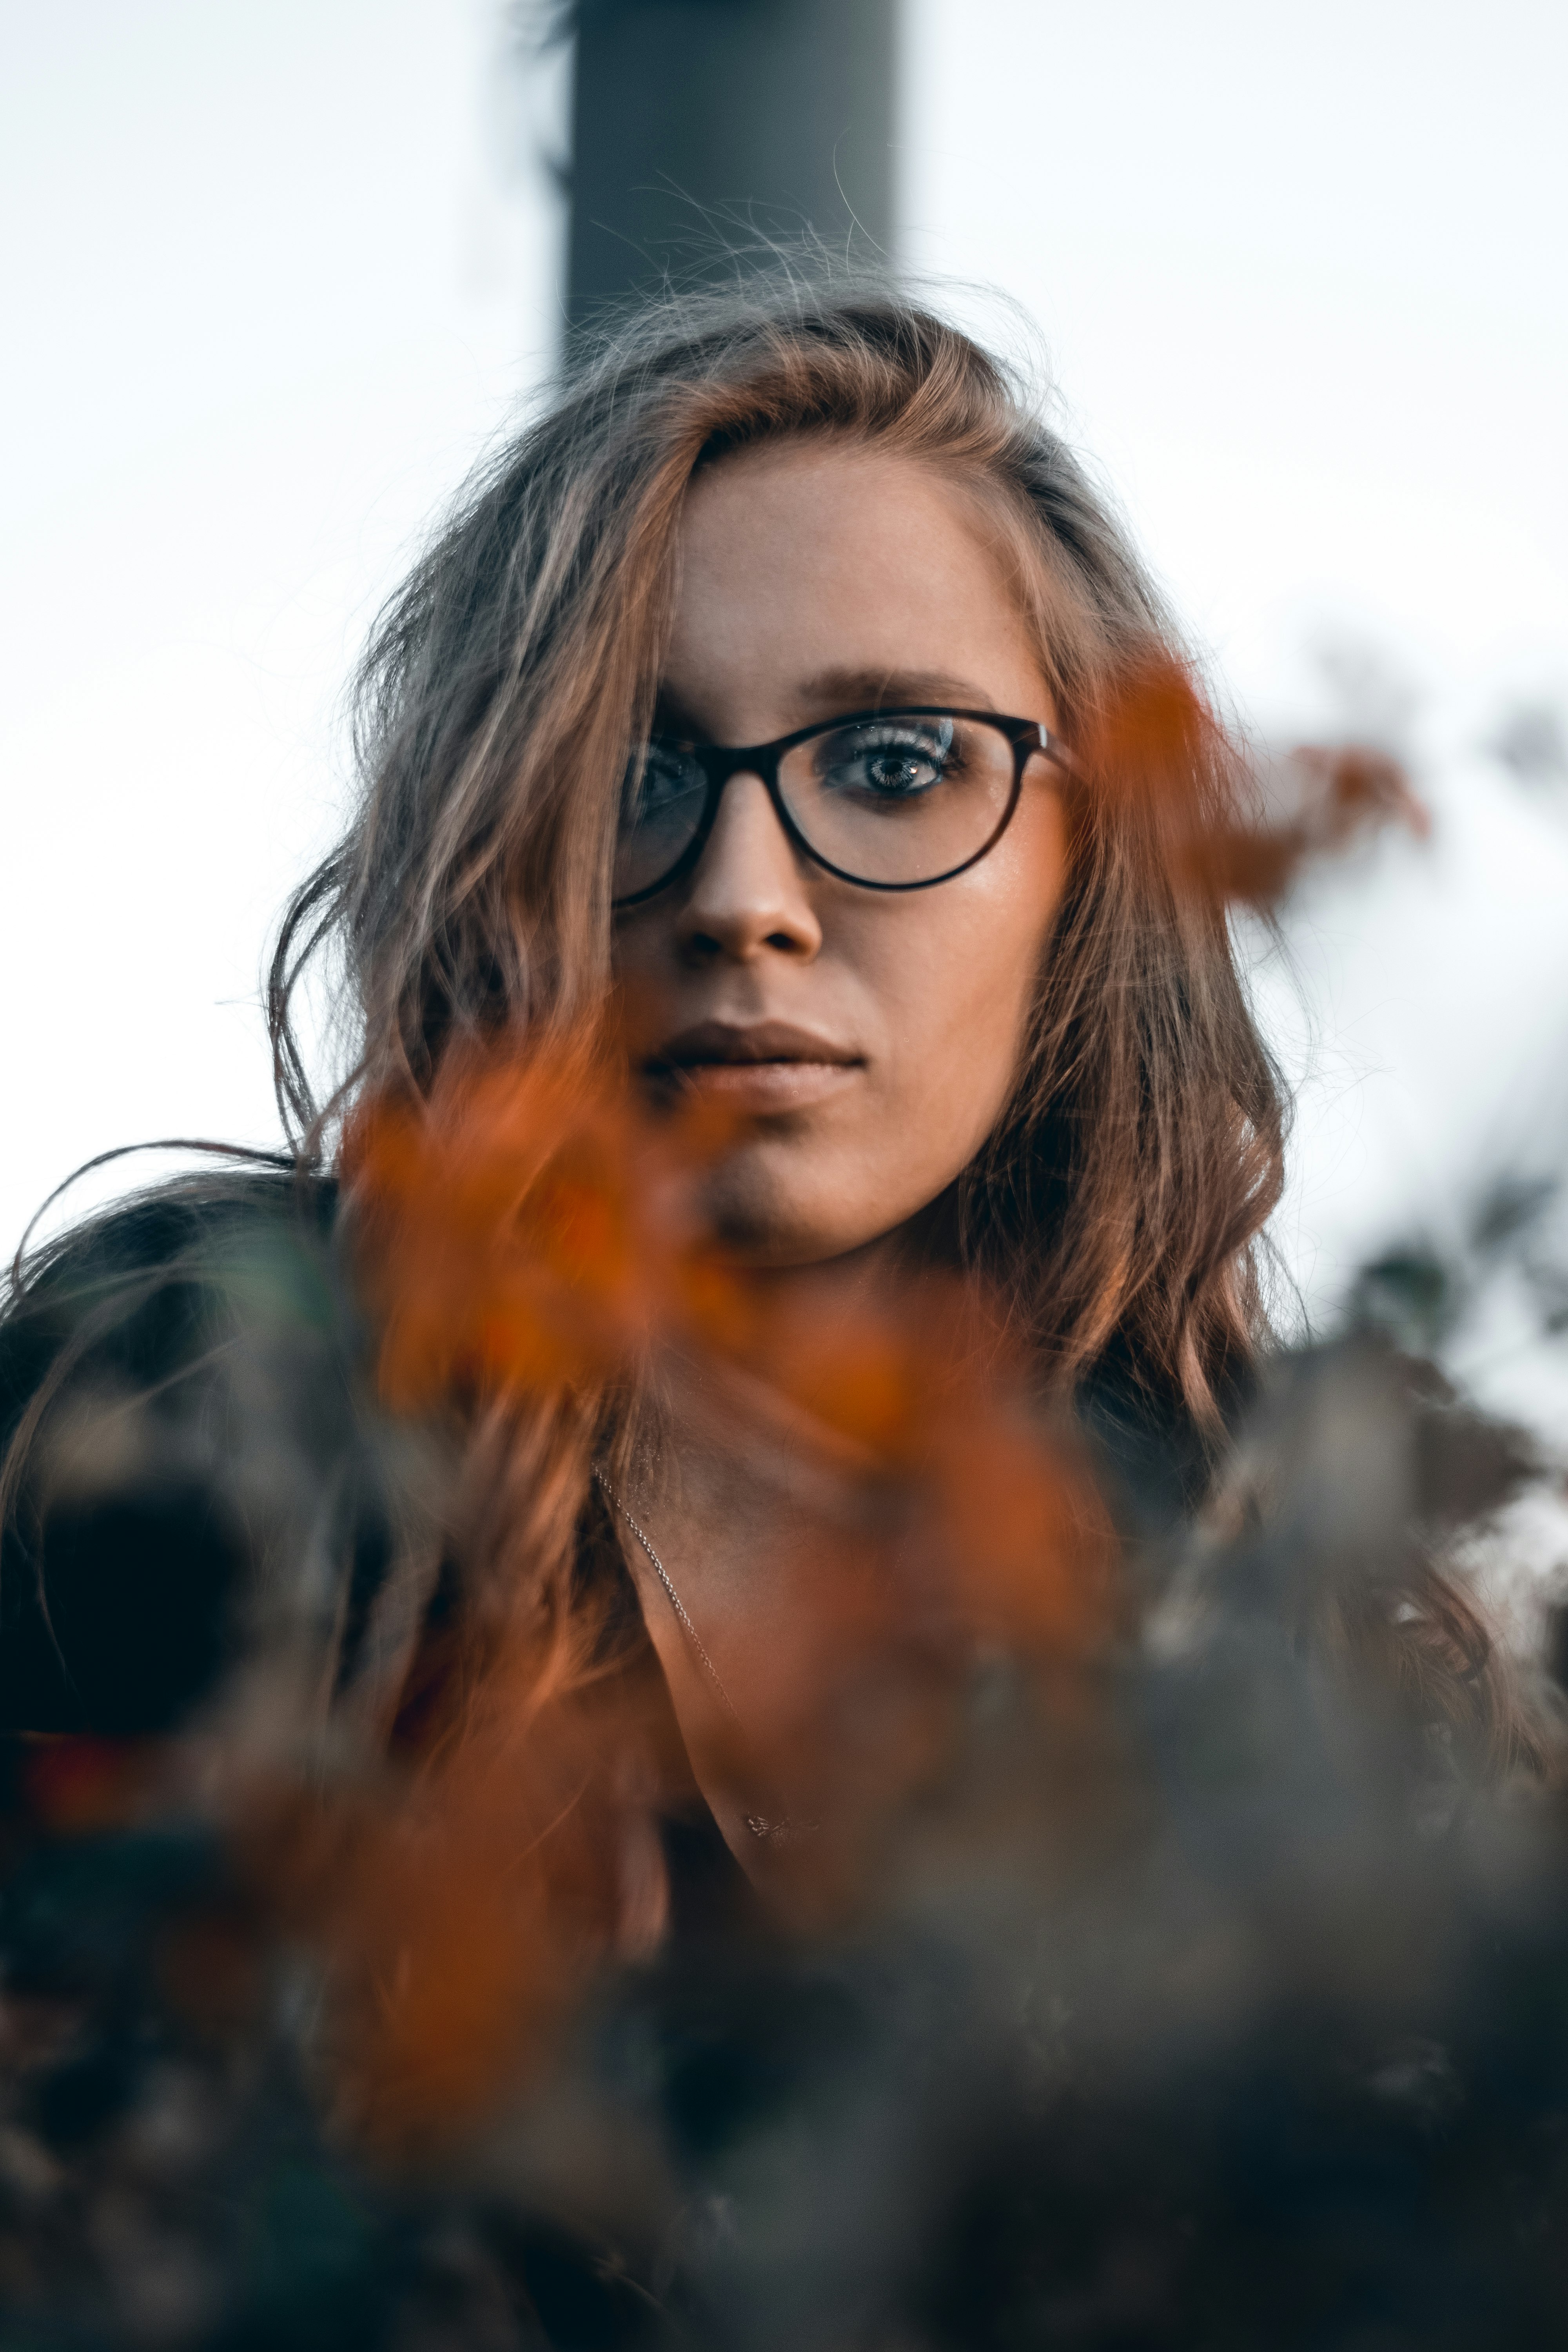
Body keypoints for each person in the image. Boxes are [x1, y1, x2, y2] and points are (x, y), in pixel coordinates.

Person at [0, 274, 1520, 1957]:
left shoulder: (1263, 1635)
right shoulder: (187, 1403)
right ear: (495, 848)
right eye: (630, 777)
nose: (742, 899)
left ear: (1087, 862)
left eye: (890, 764)